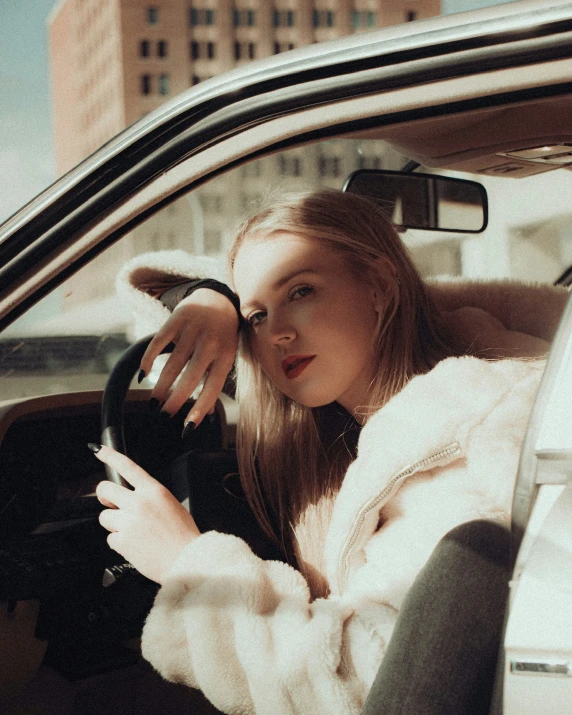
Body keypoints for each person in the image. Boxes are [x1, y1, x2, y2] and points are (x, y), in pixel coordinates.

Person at [92, 189, 567, 715]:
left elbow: (351, 683)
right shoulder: (405, 410)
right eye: (256, 317)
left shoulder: (470, 442)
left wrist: (188, 565)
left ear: (381, 286)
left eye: (301, 291)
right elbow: (148, 287)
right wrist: (213, 298)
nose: (277, 334)